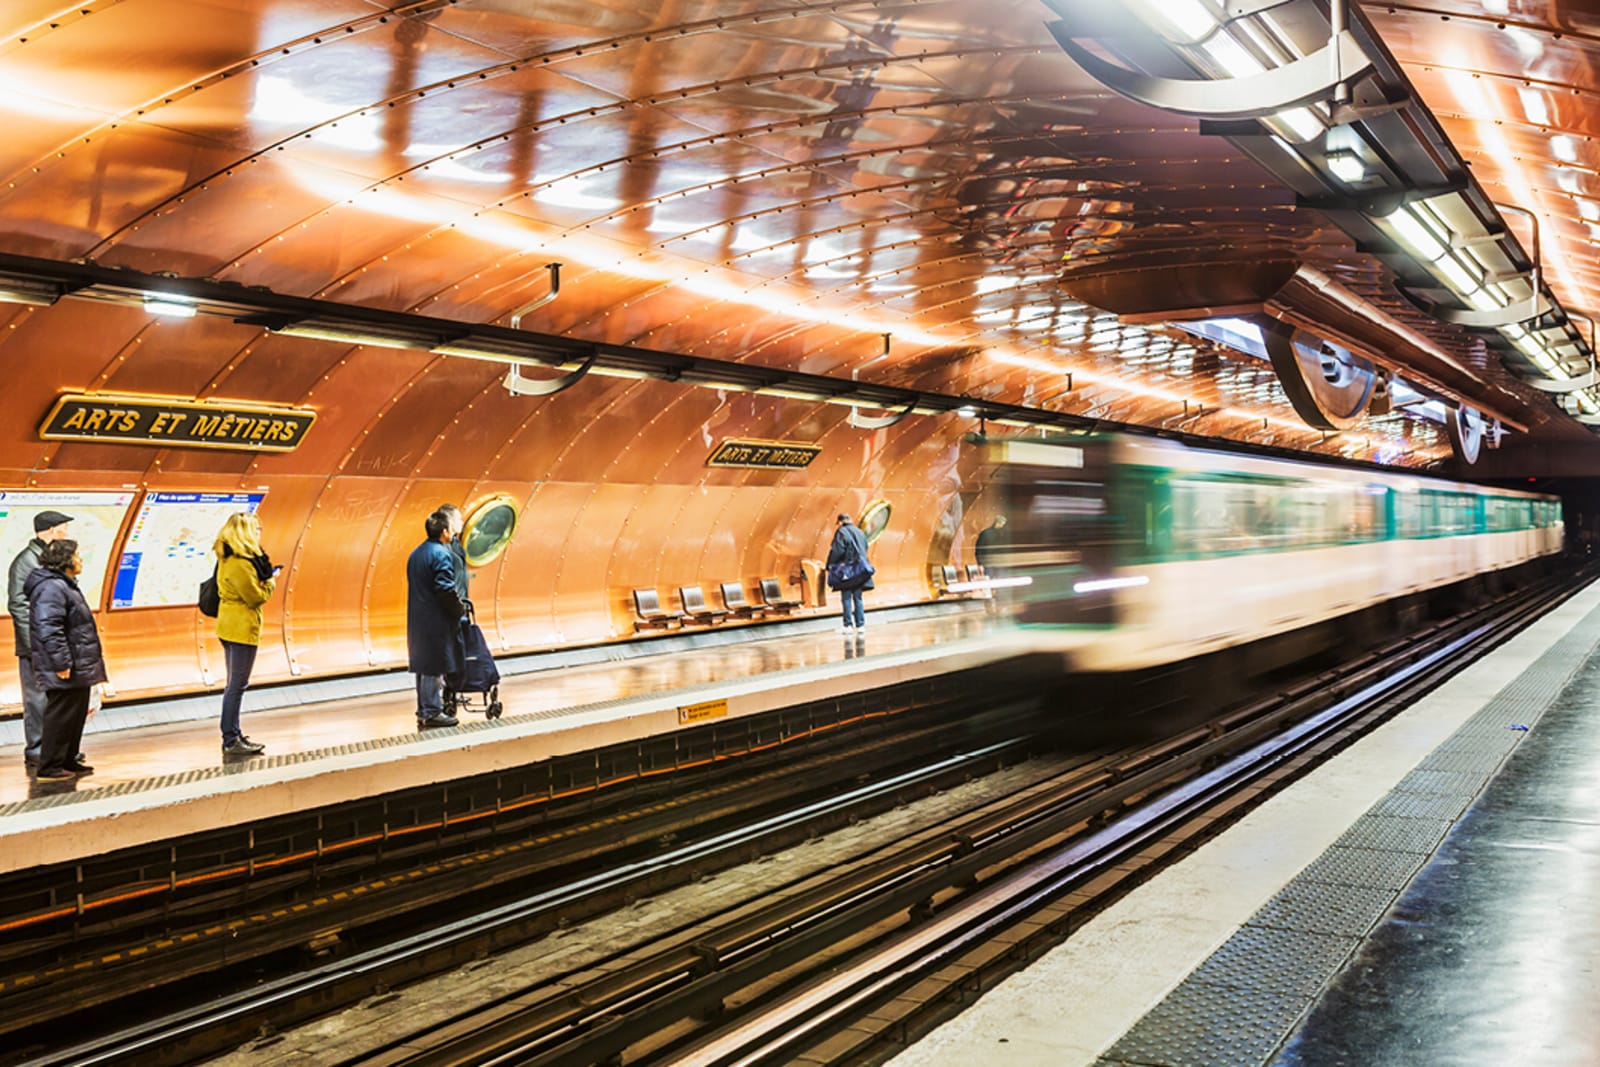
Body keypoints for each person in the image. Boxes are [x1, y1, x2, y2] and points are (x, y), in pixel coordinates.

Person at [24, 539, 105, 780]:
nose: (80, 560)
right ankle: (50, 766)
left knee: (75, 714)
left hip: (77, 662)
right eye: (77, 556)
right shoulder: (52, 587)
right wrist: (61, 662)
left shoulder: (64, 585)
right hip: (65, 663)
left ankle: (68, 759)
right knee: (61, 714)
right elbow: (49, 628)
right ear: (65, 560)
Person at [8, 509, 76, 771]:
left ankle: (56, 750)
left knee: (58, 698)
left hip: (53, 640)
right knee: (37, 699)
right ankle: (36, 750)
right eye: (64, 528)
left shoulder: (51, 559)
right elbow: (18, 604)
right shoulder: (26, 561)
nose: (66, 533)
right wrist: (34, 643)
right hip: (35, 644)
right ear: (52, 530)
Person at [213, 512, 277, 756]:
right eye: (256, 529)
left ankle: (234, 734)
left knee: (235, 683)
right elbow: (255, 597)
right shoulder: (240, 563)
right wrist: (270, 582)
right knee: (237, 685)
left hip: (229, 625)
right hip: (240, 628)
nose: (259, 533)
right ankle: (230, 739)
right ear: (246, 532)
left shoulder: (227, 557)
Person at [407, 509, 466, 729]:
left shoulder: (416, 553)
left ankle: (424, 710)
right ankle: (432, 711)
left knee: (423, 666)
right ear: (445, 531)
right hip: (436, 620)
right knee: (434, 665)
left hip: (418, 619)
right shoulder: (441, 554)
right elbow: (445, 589)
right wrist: (458, 610)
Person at [827, 512, 872, 635]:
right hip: (860, 570)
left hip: (847, 570)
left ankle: (848, 626)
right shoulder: (860, 532)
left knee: (846, 597)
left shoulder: (841, 532)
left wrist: (830, 565)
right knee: (858, 598)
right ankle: (861, 625)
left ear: (840, 522)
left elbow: (837, 550)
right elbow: (865, 547)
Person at [437, 503, 470, 605]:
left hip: (461, 602)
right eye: (459, 519)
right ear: (450, 522)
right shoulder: (441, 548)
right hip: (450, 607)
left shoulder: (455, 543)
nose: (462, 522)